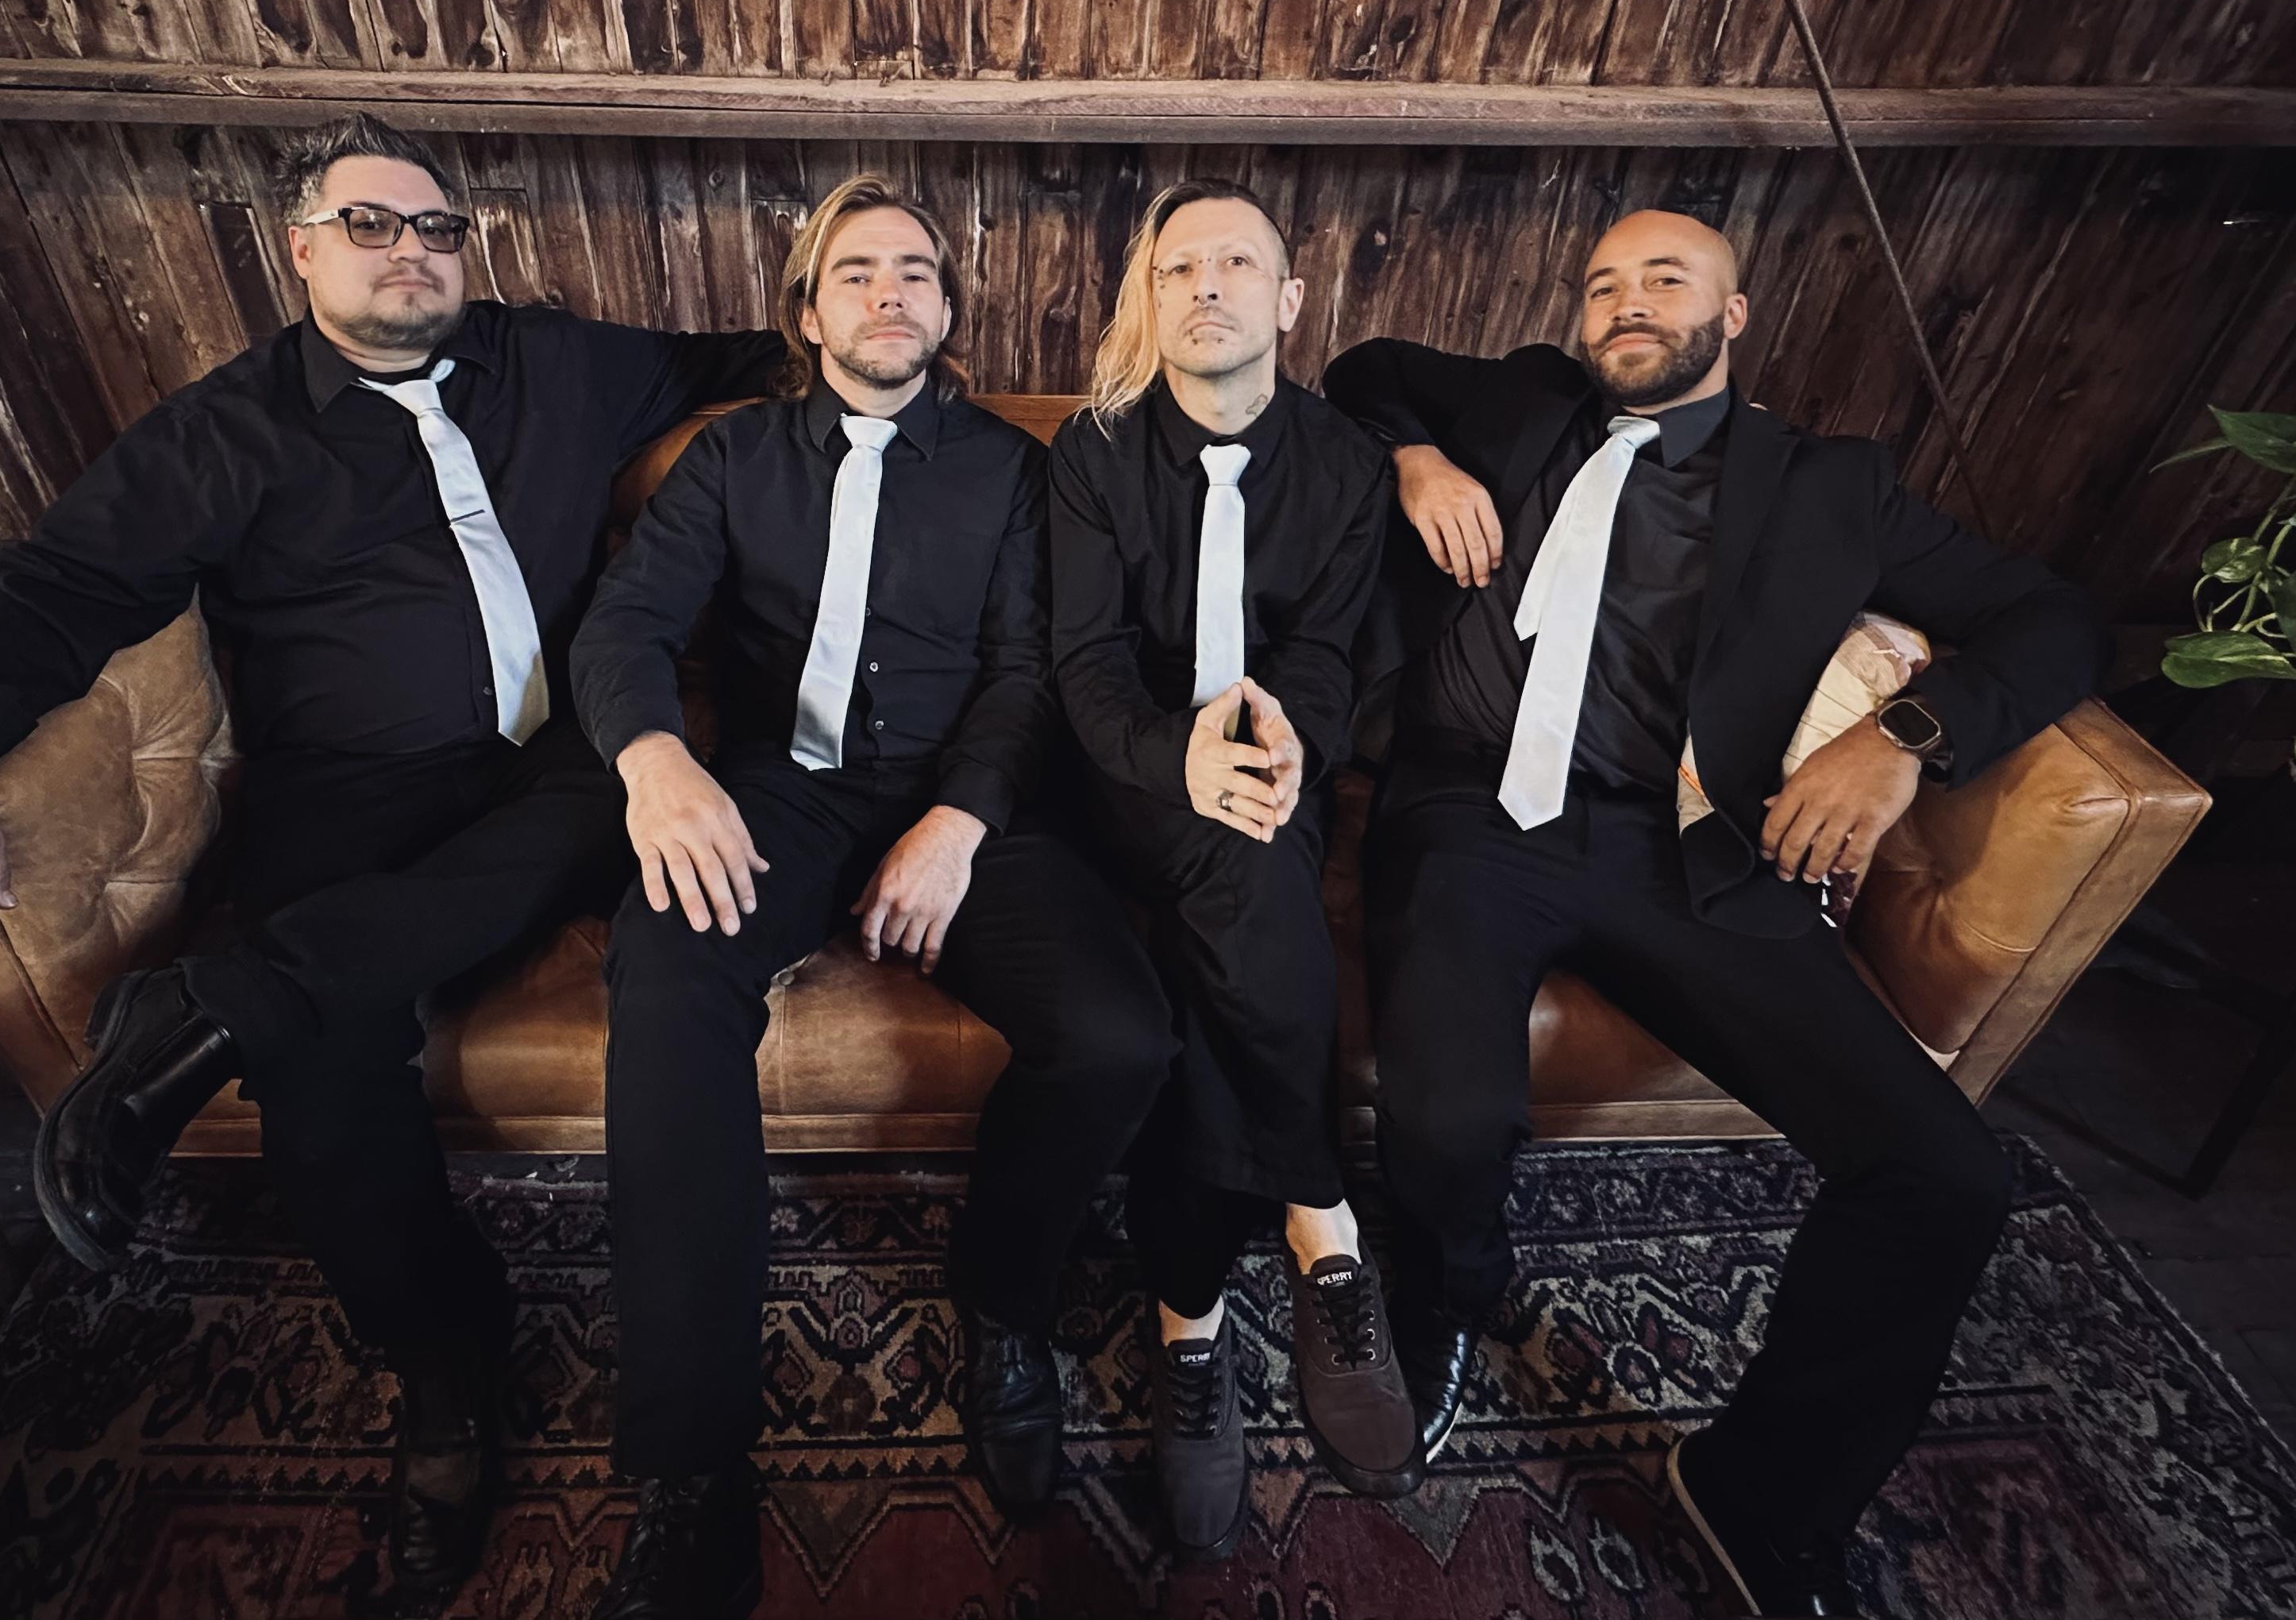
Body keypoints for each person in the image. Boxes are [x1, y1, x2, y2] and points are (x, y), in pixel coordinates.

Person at [0, 114, 780, 1597]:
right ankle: (444, 1366)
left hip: (561, 759)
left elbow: (747, 354)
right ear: (299, 249)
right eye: (371, 225)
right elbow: (59, 585)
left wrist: (861, 357)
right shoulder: (225, 431)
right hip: (347, 786)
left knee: (604, 805)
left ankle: (211, 1003)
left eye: (436, 227)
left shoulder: (559, 362)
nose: (411, 251)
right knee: (323, 1071)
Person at [1323, 209, 2105, 1617]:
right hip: (1461, 813)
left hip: (1674, 842)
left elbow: (2054, 618)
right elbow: (1363, 366)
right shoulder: (1521, 400)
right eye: (1602, 285)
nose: (1627, 303)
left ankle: (1760, 1493)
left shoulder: (1830, 486)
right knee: (1444, 1119)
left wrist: (1904, 736)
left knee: (1944, 1175)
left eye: (1665, 280)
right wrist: (1415, 457)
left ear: (1732, 316)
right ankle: (1441, 1294)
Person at [572, 176, 1176, 1618]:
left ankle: (1003, 1302)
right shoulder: (731, 459)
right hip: (775, 789)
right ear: (806, 313)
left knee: (1119, 1037)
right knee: (665, 980)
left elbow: (1030, 670)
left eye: (915, 271)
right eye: (855, 272)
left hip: (957, 799)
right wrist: (654, 761)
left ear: (948, 310)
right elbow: (627, 623)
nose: (888, 292)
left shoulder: (1015, 470)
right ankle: (692, 1465)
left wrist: (959, 820)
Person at [1045, 179, 1414, 1562]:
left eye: (1236, 263)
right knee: (1237, 871)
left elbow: (1320, 651)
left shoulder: (1346, 464)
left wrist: (1282, 742)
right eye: (1178, 266)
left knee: (1235, 904)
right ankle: (1322, 1216)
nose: (1206, 285)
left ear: (1288, 298)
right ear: (1148, 297)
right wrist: (1174, 758)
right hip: (1122, 773)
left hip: (1267, 770)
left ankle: (1187, 1323)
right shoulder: (1090, 452)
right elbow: (1083, 663)